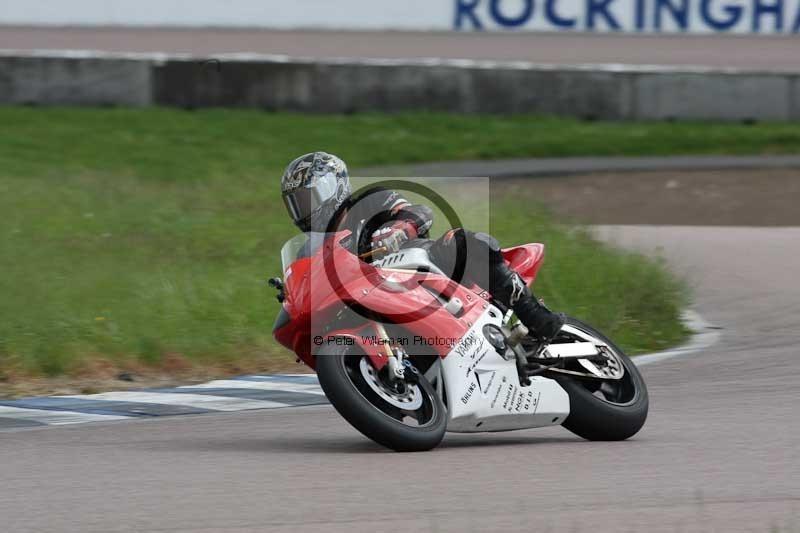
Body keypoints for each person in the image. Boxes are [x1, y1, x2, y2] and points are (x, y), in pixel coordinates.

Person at [280, 151, 564, 343]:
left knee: (462, 240)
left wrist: (399, 228)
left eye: (310, 199)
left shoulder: (369, 201)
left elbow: (417, 211)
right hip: (376, 300)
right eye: (297, 205)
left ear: (335, 186)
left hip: (420, 267)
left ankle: (534, 314)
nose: (305, 211)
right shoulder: (311, 249)